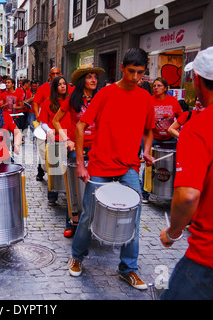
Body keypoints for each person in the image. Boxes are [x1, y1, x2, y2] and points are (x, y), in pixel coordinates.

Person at [69, 48, 155, 291]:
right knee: (89, 216)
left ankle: (128, 269)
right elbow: (80, 126)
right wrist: (81, 164)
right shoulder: (105, 94)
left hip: (129, 166)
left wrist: (146, 151)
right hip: (100, 164)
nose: (136, 77)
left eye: (140, 72)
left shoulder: (145, 98)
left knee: (133, 220)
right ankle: (77, 255)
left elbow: (148, 130)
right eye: (131, 72)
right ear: (122, 68)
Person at [159, 46, 213, 300]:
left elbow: (188, 196)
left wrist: (172, 233)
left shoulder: (199, 127)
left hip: (207, 259)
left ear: (197, 80)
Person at [52, 64, 104, 238]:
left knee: (97, 186)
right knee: (74, 187)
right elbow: (56, 121)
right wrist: (66, 139)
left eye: (95, 77)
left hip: (98, 147)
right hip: (77, 148)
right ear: (82, 80)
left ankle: (96, 223)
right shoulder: (72, 98)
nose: (94, 80)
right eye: (89, 77)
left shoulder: (101, 98)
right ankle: (71, 222)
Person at [141, 77, 183, 203]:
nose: (156, 88)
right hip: (153, 138)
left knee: (174, 164)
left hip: (170, 139)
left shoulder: (173, 101)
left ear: (165, 88)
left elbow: (181, 117)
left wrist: (178, 131)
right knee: (149, 166)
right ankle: (146, 193)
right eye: (154, 86)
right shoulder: (149, 101)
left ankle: (173, 191)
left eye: (159, 85)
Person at [39, 76, 71, 206]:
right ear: (55, 87)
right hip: (55, 139)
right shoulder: (48, 102)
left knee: (68, 169)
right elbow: (43, 122)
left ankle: (68, 193)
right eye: (60, 84)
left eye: (64, 84)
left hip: (69, 139)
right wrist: (49, 131)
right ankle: (52, 195)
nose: (63, 86)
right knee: (54, 169)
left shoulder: (71, 101)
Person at [33, 68, 63, 182]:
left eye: (57, 73)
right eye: (53, 74)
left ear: (61, 74)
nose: (55, 75)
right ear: (49, 75)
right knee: (43, 148)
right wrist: (38, 116)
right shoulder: (43, 88)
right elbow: (35, 102)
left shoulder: (65, 87)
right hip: (46, 124)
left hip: (60, 126)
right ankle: (40, 171)